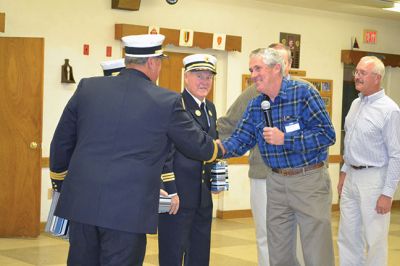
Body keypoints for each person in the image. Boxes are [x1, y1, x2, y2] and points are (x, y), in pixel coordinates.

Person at [49, 34, 222, 266]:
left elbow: (61, 143)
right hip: (128, 211)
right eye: (160, 62)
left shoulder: (88, 87)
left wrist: (60, 181)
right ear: (152, 62)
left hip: (83, 205)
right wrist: (222, 148)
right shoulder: (165, 100)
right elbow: (198, 145)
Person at [218, 48, 336, 266]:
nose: (253, 74)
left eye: (258, 68)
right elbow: (241, 140)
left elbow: (326, 134)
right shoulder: (256, 104)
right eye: (251, 69)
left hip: (308, 181)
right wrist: (217, 149)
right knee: (278, 252)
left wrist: (286, 140)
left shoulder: (303, 93)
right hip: (275, 183)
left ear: (276, 68)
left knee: (316, 251)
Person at [337, 56, 400, 265]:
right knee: (347, 236)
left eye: (362, 73)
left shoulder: (390, 110)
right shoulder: (355, 104)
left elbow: (396, 155)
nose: (357, 76)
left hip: (374, 180)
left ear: (377, 78)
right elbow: (351, 142)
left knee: (374, 239)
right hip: (351, 177)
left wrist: (387, 193)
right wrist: (344, 172)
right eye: (356, 72)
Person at [158, 54, 219, 266]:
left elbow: (212, 145)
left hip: (202, 195)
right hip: (179, 196)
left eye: (209, 77)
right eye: (198, 76)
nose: (204, 81)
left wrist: (217, 180)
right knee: (172, 253)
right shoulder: (175, 105)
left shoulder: (210, 108)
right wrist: (171, 190)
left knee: (200, 253)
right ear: (186, 77)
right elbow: (165, 153)